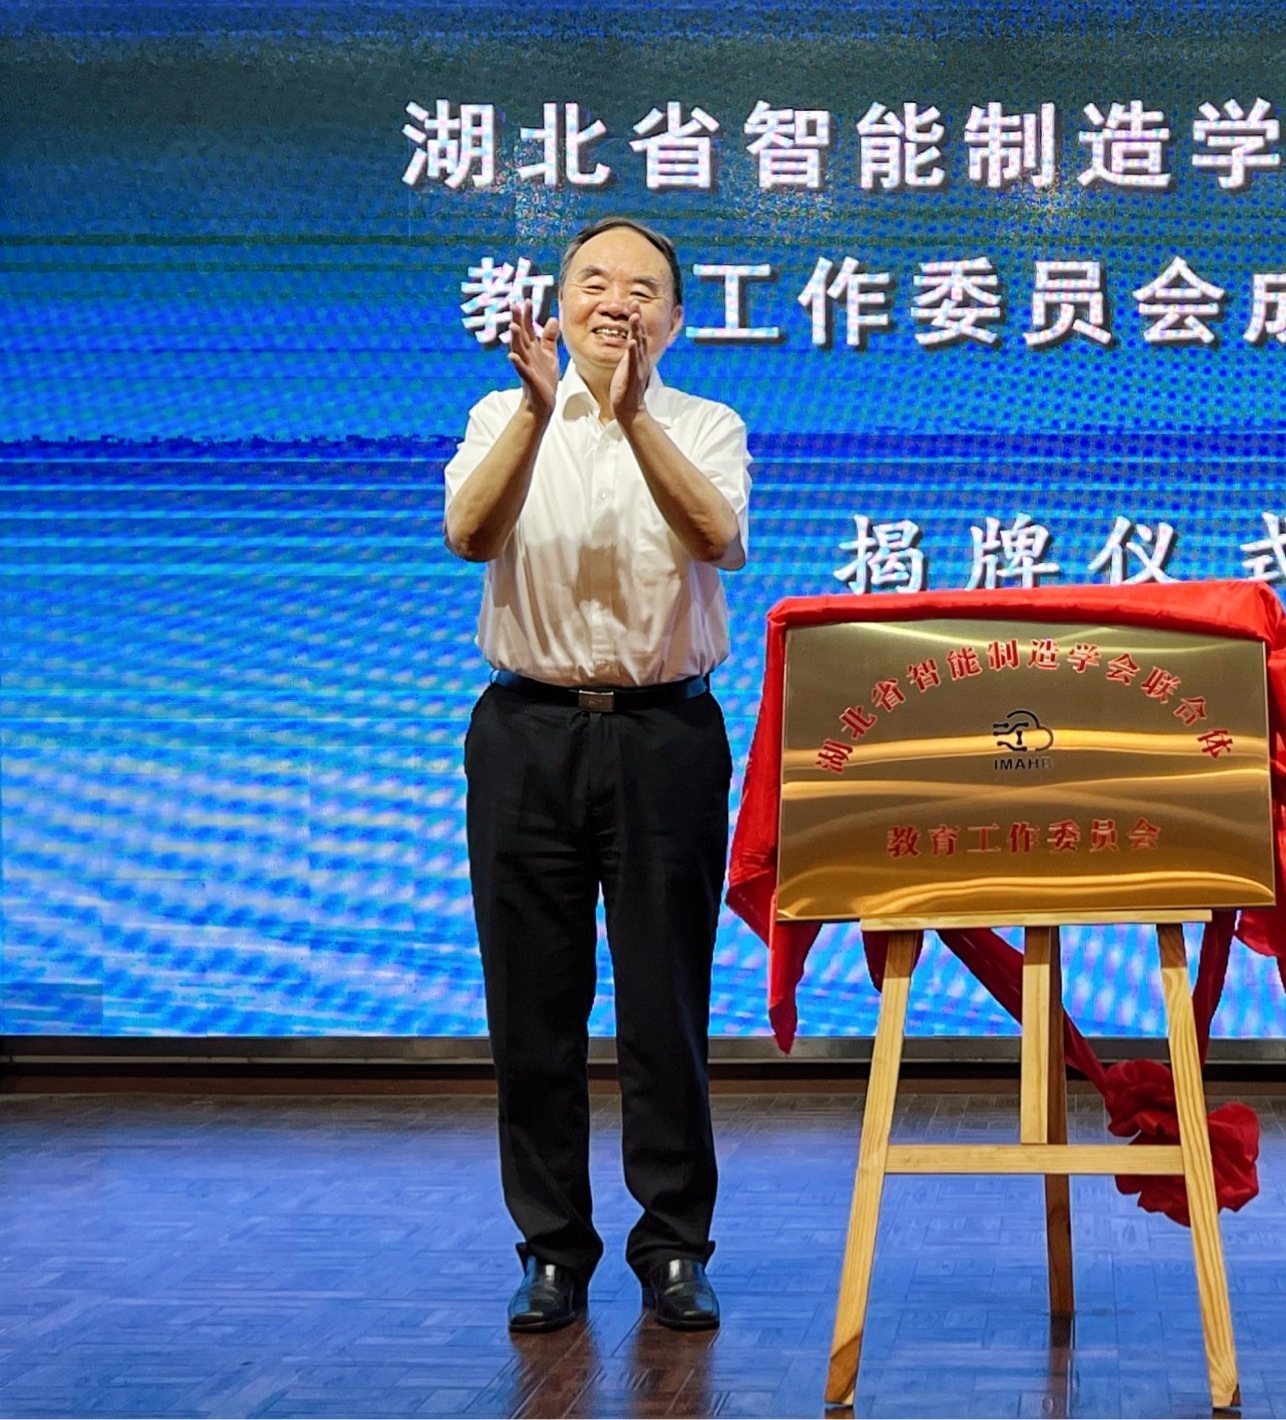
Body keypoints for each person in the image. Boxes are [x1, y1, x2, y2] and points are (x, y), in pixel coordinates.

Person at [443, 215, 751, 1333]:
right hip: (525, 732)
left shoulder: (706, 422)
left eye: (642, 289)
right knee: (533, 1005)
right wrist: (541, 412)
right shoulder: (502, 414)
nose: (617, 301)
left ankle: (672, 1246)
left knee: (665, 1003)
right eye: (594, 282)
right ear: (559, 303)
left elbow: (717, 538)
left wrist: (632, 418)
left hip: (666, 735)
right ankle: (551, 1250)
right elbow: (470, 536)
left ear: (675, 318)